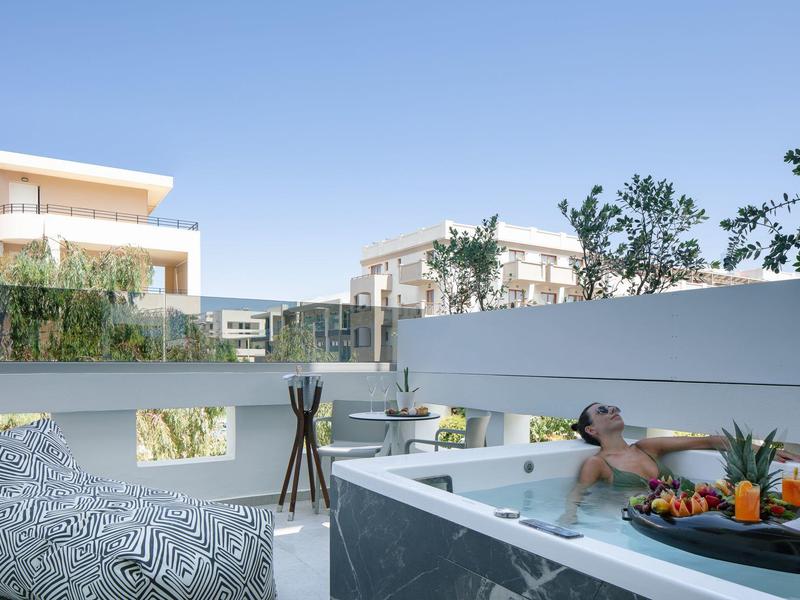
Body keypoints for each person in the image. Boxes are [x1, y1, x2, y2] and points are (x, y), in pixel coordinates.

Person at [559, 402, 799, 523]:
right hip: (647, 521)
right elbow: (577, 494)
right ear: (591, 429)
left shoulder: (646, 447)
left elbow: (708, 442)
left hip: (688, 512)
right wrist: (569, 517)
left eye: (614, 407)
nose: (612, 409)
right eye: (603, 410)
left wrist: (763, 451)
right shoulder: (597, 463)